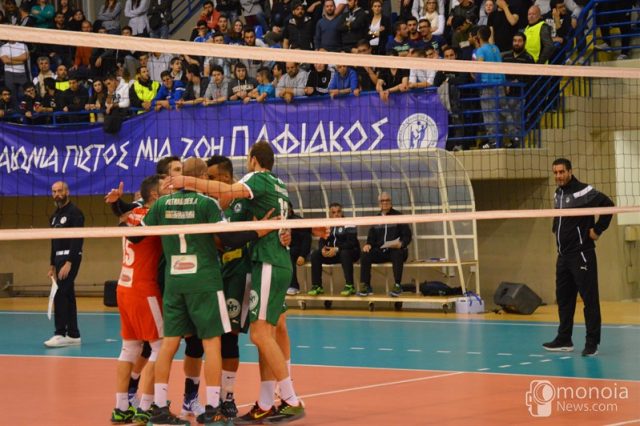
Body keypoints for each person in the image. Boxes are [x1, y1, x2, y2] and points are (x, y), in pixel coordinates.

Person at [167, 142, 306, 423]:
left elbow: (229, 191)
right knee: (265, 333)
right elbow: (284, 215)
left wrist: (186, 181)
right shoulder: (279, 184)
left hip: (267, 261)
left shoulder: (257, 179)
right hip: (269, 261)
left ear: (253, 160)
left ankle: (291, 399)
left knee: (261, 334)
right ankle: (265, 402)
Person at [144, 158, 233, 426]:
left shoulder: (161, 204)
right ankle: (213, 407)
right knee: (212, 342)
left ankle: (160, 407)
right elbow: (227, 238)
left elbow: (142, 231)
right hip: (203, 280)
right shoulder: (208, 204)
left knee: (169, 343)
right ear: (202, 176)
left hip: (175, 281)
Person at [543, 158, 614, 357]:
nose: (558, 176)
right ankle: (564, 339)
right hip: (563, 256)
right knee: (564, 300)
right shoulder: (558, 193)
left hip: (581, 254)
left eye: (561, 172)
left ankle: (592, 343)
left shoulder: (584, 191)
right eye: (555, 173)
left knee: (589, 300)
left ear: (570, 171)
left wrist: (597, 230)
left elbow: (609, 205)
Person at [110, 175, 164, 425]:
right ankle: (145, 406)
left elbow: (125, 216)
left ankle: (121, 407)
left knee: (129, 348)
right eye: (166, 189)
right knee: (160, 346)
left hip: (124, 287)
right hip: (144, 289)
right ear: (154, 195)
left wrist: (116, 206)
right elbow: (137, 236)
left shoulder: (133, 213)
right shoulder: (152, 215)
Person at [45, 181, 84, 348]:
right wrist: (52, 264)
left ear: (67, 192)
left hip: (70, 257)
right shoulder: (54, 216)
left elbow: (77, 240)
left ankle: (60, 333)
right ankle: (73, 334)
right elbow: (53, 242)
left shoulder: (75, 212)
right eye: (54, 191)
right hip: (58, 259)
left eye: (60, 191)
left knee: (60, 294)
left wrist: (69, 262)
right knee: (67, 294)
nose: (57, 194)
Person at [357, 192, 412, 297]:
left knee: (397, 253)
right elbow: (371, 238)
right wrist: (368, 244)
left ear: (391, 202)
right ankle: (366, 286)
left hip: (396, 250)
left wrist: (401, 243)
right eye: (382, 201)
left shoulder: (399, 216)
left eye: (387, 200)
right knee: (365, 254)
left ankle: (397, 285)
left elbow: (407, 236)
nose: (385, 203)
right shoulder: (376, 219)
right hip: (381, 251)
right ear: (379, 203)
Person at [308, 202, 360, 296]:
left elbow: (351, 243)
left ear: (342, 212)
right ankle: (317, 286)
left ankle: (350, 285)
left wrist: (336, 249)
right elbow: (322, 241)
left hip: (350, 253)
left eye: (338, 212)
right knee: (315, 254)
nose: (336, 214)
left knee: (345, 253)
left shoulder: (349, 223)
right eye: (333, 212)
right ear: (330, 214)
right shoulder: (328, 225)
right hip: (333, 253)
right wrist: (323, 249)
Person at [285, 202, 311, 295]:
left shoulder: (298, 221)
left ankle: (294, 286)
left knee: (289, 253)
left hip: (298, 250)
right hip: (283, 249)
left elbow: (307, 239)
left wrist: (302, 255)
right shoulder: (276, 220)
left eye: (286, 209)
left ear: (290, 209)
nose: (284, 211)